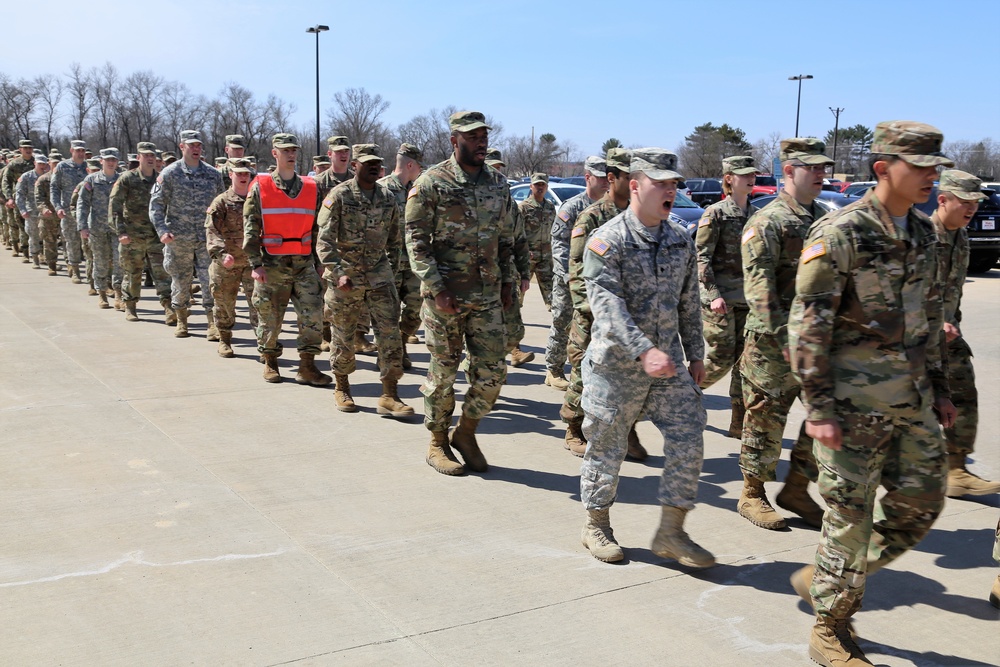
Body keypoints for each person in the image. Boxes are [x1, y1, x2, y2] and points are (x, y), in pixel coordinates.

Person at [787, 121, 957, 667]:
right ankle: (830, 627)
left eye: (935, 166)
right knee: (849, 519)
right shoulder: (841, 232)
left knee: (922, 506)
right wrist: (817, 408)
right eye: (921, 166)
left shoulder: (925, 234)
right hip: (851, 411)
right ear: (884, 168)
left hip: (910, 402)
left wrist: (942, 389)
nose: (932, 176)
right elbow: (807, 324)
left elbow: (928, 320)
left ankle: (827, 577)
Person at [578, 148, 712, 567]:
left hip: (668, 364)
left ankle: (671, 531)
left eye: (674, 183)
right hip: (617, 367)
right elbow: (607, 305)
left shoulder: (679, 239)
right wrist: (644, 350)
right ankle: (596, 524)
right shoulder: (608, 241)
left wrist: (696, 354)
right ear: (635, 186)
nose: (670, 190)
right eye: (661, 183)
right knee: (606, 448)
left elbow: (689, 303)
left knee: (689, 436)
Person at [405, 110, 517, 476]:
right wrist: (436, 289)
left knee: (493, 372)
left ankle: (466, 432)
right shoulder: (431, 183)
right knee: (444, 372)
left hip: (486, 297)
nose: (481, 142)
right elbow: (416, 242)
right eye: (472, 137)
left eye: (484, 136)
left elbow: (506, 238)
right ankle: (437, 442)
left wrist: (506, 284)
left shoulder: (498, 184)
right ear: (455, 141)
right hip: (445, 300)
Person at [737, 138, 830, 531]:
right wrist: (787, 338)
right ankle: (752, 493)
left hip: (818, 342)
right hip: (773, 343)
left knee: (823, 417)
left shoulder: (825, 218)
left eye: (825, 168)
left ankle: (796, 487)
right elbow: (759, 290)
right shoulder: (767, 221)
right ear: (789, 171)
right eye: (814, 168)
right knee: (765, 417)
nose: (821, 175)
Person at [317, 143, 412, 416]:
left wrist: (391, 272)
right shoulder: (340, 195)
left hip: (379, 274)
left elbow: (396, 239)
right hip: (345, 276)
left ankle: (389, 394)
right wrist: (337, 273)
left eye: (377, 162)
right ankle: (342, 387)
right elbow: (323, 242)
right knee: (344, 335)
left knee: (389, 334)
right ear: (354, 165)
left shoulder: (386, 197)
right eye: (367, 162)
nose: (373, 166)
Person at [563, 148, 645, 461]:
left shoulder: (639, 216)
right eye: (628, 176)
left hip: (629, 316)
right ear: (612, 179)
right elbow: (577, 274)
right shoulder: (592, 218)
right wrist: (594, 313)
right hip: (593, 316)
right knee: (586, 372)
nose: (635, 181)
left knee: (632, 379)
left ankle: (627, 431)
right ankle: (572, 428)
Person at [930, 170, 1000, 497]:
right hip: (915, 340)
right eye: (965, 202)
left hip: (948, 337)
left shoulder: (961, 236)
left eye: (976, 203)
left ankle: (955, 469)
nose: (972, 209)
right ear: (943, 200)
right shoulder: (923, 236)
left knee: (963, 397)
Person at [243, 133, 331, 387]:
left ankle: (307, 366)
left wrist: (319, 260)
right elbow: (250, 226)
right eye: (286, 151)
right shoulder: (260, 185)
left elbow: (318, 227)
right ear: (275, 154)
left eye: (294, 150)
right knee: (270, 316)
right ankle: (270, 360)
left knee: (312, 314)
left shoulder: (311, 186)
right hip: (272, 264)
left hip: (303, 263)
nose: (291, 155)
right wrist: (255, 264)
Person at [695, 155, 759, 438]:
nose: (751, 178)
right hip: (719, 299)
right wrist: (712, 294)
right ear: (729, 178)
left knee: (743, 363)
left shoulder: (756, 215)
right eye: (744, 174)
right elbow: (702, 256)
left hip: (747, 299)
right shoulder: (715, 213)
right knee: (721, 358)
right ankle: (679, 393)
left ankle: (738, 422)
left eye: (753, 174)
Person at [149, 130, 225, 338]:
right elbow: (155, 205)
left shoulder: (213, 174)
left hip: (206, 239)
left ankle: (213, 323)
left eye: (198, 145)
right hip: (178, 238)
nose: (196, 149)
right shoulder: (169, 173)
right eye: (191, 145)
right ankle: (182, 320)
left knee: (210, 281)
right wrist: (162, 231)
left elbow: (222, 205)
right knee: (180, 281)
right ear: (182, 147)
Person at [546, 155, 608, 391]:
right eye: (600, 178)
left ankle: (588, 371)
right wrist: (568, 274)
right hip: (569, 280)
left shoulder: (611, 209)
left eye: (607, 178)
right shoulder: (572, 207)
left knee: (594, 328)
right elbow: (559, 242)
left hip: (599, 281)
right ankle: (553, 369)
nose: (605, 183)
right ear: (587, 177)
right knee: (562, 322)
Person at [110, 141, 171, 323]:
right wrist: (120, 232)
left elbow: (168, 206)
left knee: (162, 272)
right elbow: (114, 207)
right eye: (146, 156)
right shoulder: (127, 179)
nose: (150, 159)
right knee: (132, 272)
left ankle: (168, 307)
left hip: (155, 235)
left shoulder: (161, 179)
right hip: (133, 235)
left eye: (153, 156)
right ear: (139, 158)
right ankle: (130, 305)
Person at [378, 143, 424, 368]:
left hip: (414, 262)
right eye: (419, 166)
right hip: (389, 262)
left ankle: (403, 343)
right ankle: (388, 354)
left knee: (415, 309)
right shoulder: (381, 189)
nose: (420, 170)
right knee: (388, 312)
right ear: (410, 164)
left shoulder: (418, 190)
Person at [205, 157, 257, 357]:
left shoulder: (256, 200)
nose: (243, 177)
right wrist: (221, 253)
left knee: (259, 304)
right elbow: (211, 230)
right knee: (224, 303)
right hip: (227, 262)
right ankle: (224, 339)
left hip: (253, 263)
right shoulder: (221, 201)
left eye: (246, 173)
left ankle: (264, 343)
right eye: (239, 173)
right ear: (230, 175)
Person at [77, 148, 123, 310]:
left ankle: (118, 294)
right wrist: (82, 226)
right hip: (97, 228)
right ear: (101, 161)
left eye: (114, 160)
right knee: (100, 261)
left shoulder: (122, 179)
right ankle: (102, 293)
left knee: (119, 261)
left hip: (117, 228)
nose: (111, 163)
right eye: (108, 160)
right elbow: (82, 204)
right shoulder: (91, 180)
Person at [517, 172, 556, 309]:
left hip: (545, 257)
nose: (540, 188)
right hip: (528, 258)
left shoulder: (550, 207)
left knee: (553, 295)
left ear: (546, 187)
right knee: (518, 293)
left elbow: (554, 231)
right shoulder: (523, 208)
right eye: (537, 185)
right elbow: (517, 233)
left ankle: (558, 325)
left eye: (543, 185)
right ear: (531, 186)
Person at [2, 140, 35, 259]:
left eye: (30, 147)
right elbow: (6, 182)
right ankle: (25, 251)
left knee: (40, 226)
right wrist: (9, 198)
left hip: (36, 199)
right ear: (20, 149)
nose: (28, 150)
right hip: (20, 198)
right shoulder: (15, 164)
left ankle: (40, 253)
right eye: (25, 147)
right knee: (21, 225)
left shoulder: (37, 162)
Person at [15, 154, 48, 268]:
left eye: (44, 164)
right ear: (35, 163)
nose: (42, 166)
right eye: (40, 163)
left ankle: (46, 258)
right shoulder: (26, 177)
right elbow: (19, 195)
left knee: (47, 236)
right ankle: (35, 259)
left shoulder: (49, 176)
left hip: (46, 212)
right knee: (33, 236)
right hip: (31, 212)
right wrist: (23, 210)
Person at [33, 152, 61, 275]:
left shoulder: (66, 179)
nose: (56, 165)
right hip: (49, 215)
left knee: (69, 241)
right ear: (49, 163)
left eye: (58, 163)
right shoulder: (43, 179)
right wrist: (44, 209)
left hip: (64, 214)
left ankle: (72, 265)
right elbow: (38, 198)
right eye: (54, 163)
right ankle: (52, 265)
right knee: (49, 240)